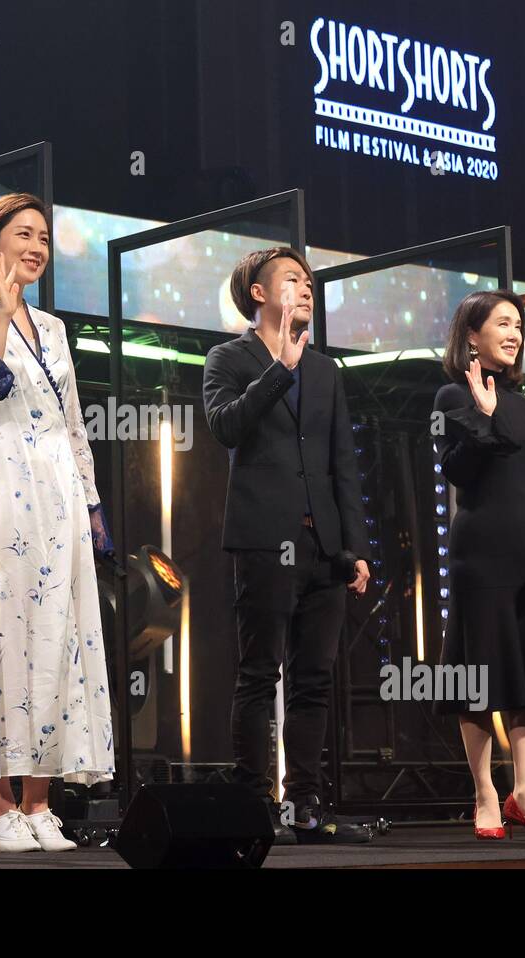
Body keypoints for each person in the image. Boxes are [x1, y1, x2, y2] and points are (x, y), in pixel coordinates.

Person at [0, 193, 115, 852]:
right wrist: (3, 318)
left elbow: (72, 423)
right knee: (1, 633)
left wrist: (91, 503)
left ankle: (41, 802)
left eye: (43, 236)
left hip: (57, 488)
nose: (36, 246)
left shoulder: (58, 329)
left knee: (56, 637)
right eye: (23, 234)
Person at [202, 247, 373, 845]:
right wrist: (279, 370)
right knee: (257, 675)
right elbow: (225, 426)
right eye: (292, 280)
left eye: (308, 281)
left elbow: (341, 465)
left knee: (313, 681)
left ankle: (305, 803)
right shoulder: (229, 356)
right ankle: (255, 805)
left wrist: (354, 546)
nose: (305, 289)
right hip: (262, 541)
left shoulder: (326, 370)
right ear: (257, 291)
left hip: (323, 546)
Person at [431, 290, 525, 840]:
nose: (514, 332)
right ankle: (485, 795)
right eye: (503, 323)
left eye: (518, 323)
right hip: (480, 556)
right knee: (480, 678)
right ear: (472, 335)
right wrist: (485, 420)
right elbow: (459, 473)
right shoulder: (451, 396)